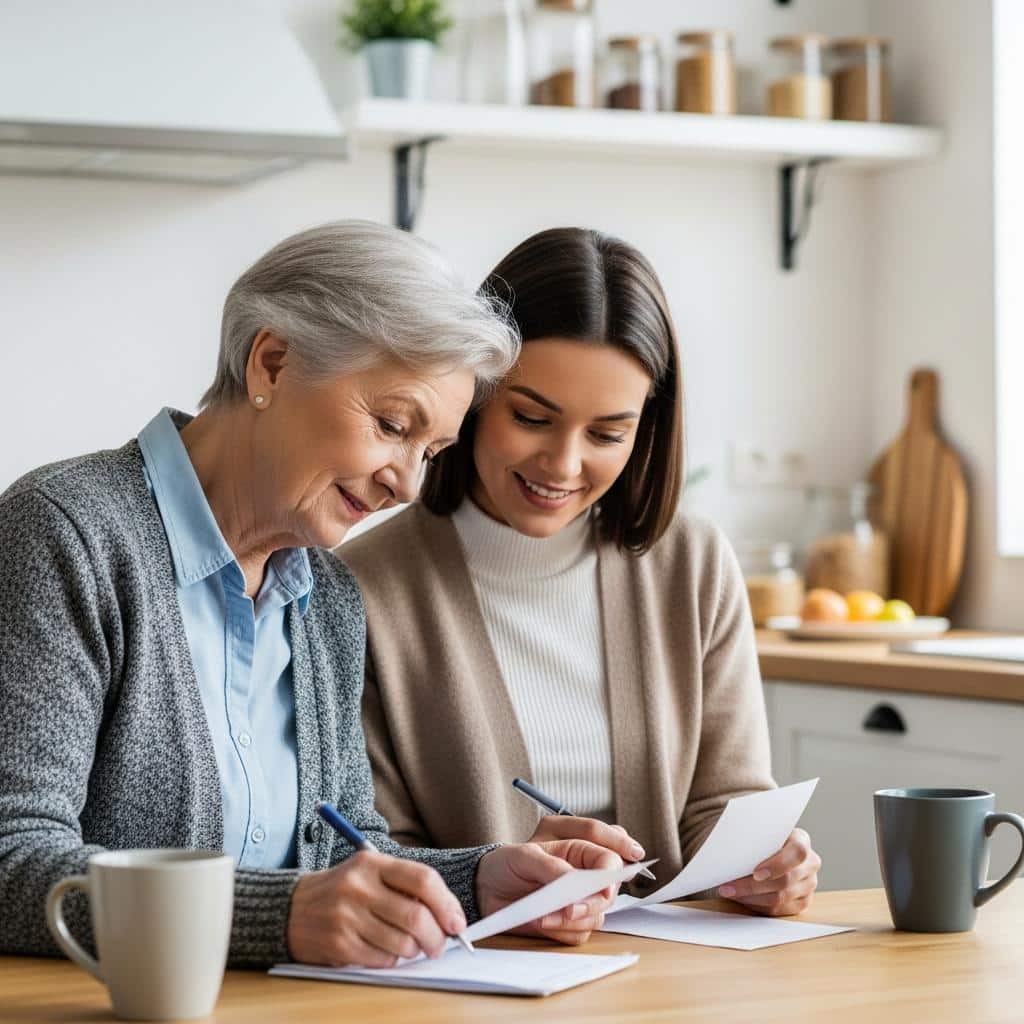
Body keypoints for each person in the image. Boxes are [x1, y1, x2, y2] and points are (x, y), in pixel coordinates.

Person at [0, 221, 622, 970]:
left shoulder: (325, 596)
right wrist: (281, 916)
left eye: (431, 452)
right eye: (393, 425)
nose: (408, 483)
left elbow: (343, 846)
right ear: (272, 363)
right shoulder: (67, 534)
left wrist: (486, 878)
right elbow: (13, 859)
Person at [343, 227, 821, 917]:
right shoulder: (360, 587)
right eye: (532, 417)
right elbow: (374, 844)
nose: (563, 466)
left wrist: (767, 864)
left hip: (674, 976)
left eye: (607, 434)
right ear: (472, 396)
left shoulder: (692, 564)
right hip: (473, 979)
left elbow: (725, 800)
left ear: (645, 430)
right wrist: (498, 886)